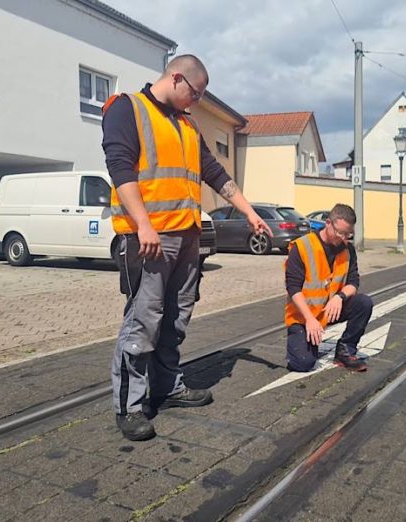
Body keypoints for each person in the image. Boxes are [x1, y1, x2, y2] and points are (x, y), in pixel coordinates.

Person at [102, 54, 272, 441]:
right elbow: (120, 167)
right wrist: (143, 224)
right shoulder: (128, 108)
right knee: (143, 319)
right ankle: (129, 406)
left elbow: (213, 173)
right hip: (148, 239)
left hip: (188, 238)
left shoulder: (187, 125)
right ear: (177, 79)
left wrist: (248, 212)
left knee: (176, 318)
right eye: (194, 93)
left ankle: (166, 386)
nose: (195, 102)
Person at [284, 204, 374, 372]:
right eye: (340, 232)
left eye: (349, 234)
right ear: (328, 223)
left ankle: (345, 350)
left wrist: (339, 297)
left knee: (364, 303)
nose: (344, 238)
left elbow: (353, 282)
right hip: (303, 316)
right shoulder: (302, 247)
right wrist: (310, 319)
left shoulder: (347, 250)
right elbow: (293, 288)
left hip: (329, 310)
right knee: (303, 364)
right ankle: (300, 342)